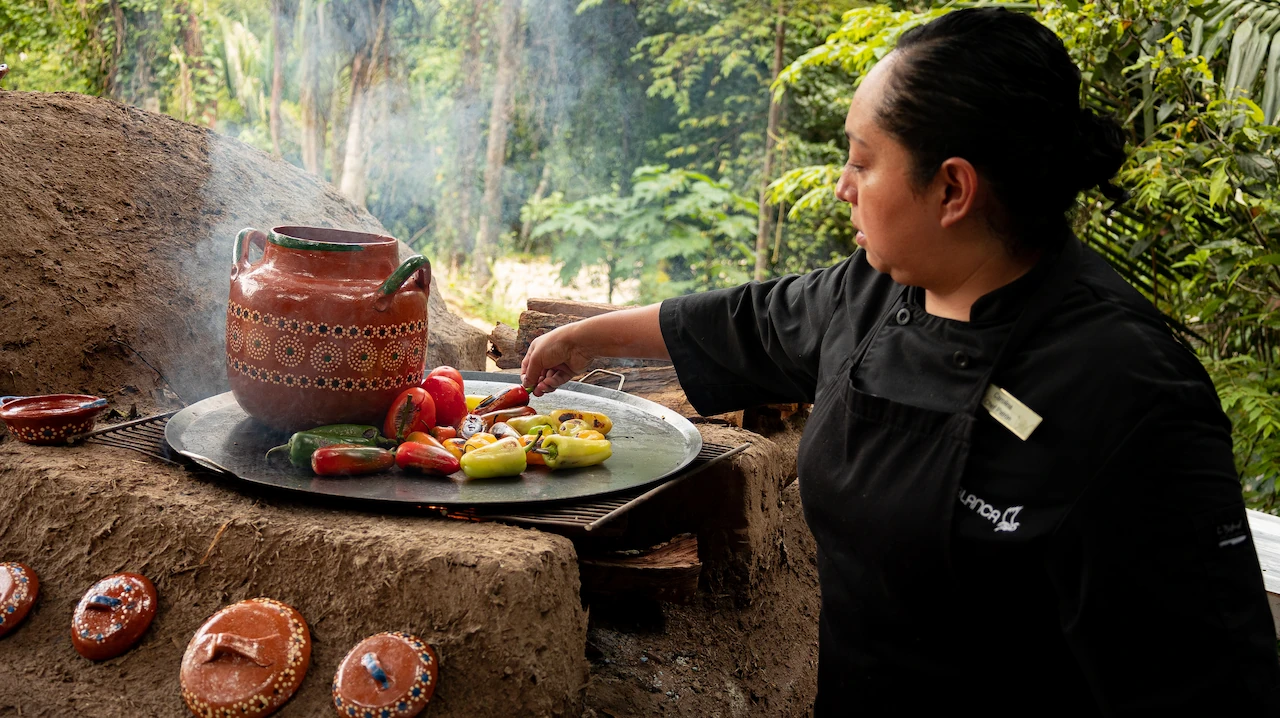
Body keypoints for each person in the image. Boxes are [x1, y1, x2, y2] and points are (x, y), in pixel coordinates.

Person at [522, 8, 1280, 715]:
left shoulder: (1130, 394)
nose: (842, 188)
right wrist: (585, 339)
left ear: (952, 188)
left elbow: (1211, 684)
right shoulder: (875, 291)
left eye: (861, 161)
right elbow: (744, 320)